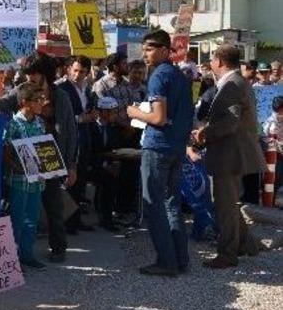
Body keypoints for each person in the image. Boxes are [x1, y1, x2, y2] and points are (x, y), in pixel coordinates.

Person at [0, 53, 78, 263]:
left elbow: (71, 131)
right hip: (22, 168)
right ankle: (17, 255)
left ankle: (58, 247)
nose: (30, 78)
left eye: (34, 73)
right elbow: (4, 102)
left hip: (50, 160)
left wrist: (71, 165)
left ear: (45, 73)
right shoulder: (22, 91)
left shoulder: (61, 96)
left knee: (54, 206)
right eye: (28, 73)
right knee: (20, 213)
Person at [127, 29, 193, 277]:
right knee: (172, 204)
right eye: (143, 48)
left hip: (158, 147)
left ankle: (166, 262)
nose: (145, 54)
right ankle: (180, 259)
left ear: (165, 50)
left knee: (154, 205)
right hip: (176, 147)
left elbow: (158, 117)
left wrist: (134, 112)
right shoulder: (180, 76)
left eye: (150, 48)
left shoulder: (158, 76)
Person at [192, 45, 264, 268]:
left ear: (220, 61)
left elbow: (230, 122)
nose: (210, 63)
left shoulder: (232, 84)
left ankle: (227, 253)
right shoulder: (236, 82)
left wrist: (205, 133)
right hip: (231, 152)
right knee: (229, 203)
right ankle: (245, 244)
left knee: (224, 205)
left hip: (229, 154)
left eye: (212, 59)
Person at [3, 82, 48, 269]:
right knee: (17, 218)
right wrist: (15, 166)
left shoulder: (40, 122)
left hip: (37, 179)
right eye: (38, 100)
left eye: (43, 99)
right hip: (19, 180)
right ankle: (12, 260)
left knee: (32, 218)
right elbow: (5, 151)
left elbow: (44, 148)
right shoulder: (13, 124)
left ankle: (27, 254)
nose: (42, 103)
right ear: (24, 102)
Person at [56, 55, 96, 234]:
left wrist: (91, 115)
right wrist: (82, 118)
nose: (78, 75)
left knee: (81, 181)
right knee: (69, 180)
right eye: (75, 70)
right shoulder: (61, 88)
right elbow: (61, 118)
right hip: (69, 140)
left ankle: (76, 219)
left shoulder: (87, 88)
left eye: (82, 72)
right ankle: (67, 222)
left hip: (84, 138)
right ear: (69, 69)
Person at [89, 97, 125, 232]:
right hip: (92, 165)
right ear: (103, 112)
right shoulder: (91, 127)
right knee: (108, 181)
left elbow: (114, 148)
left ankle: (113, 212)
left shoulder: (112, 128)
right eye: (112, 112)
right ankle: (106, 218)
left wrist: (115, 162)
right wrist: (104, 165)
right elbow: (90, 152)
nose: (115, 115)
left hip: (107, 164)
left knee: (120, 175)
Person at [92, 52, 132, 125]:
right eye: (124, 63)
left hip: (129, 127)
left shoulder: (127, 84)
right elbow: (106, 114)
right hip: (110, 128)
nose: (127, 66)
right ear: (115, 67)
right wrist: (126, 126)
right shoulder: (101, 85)